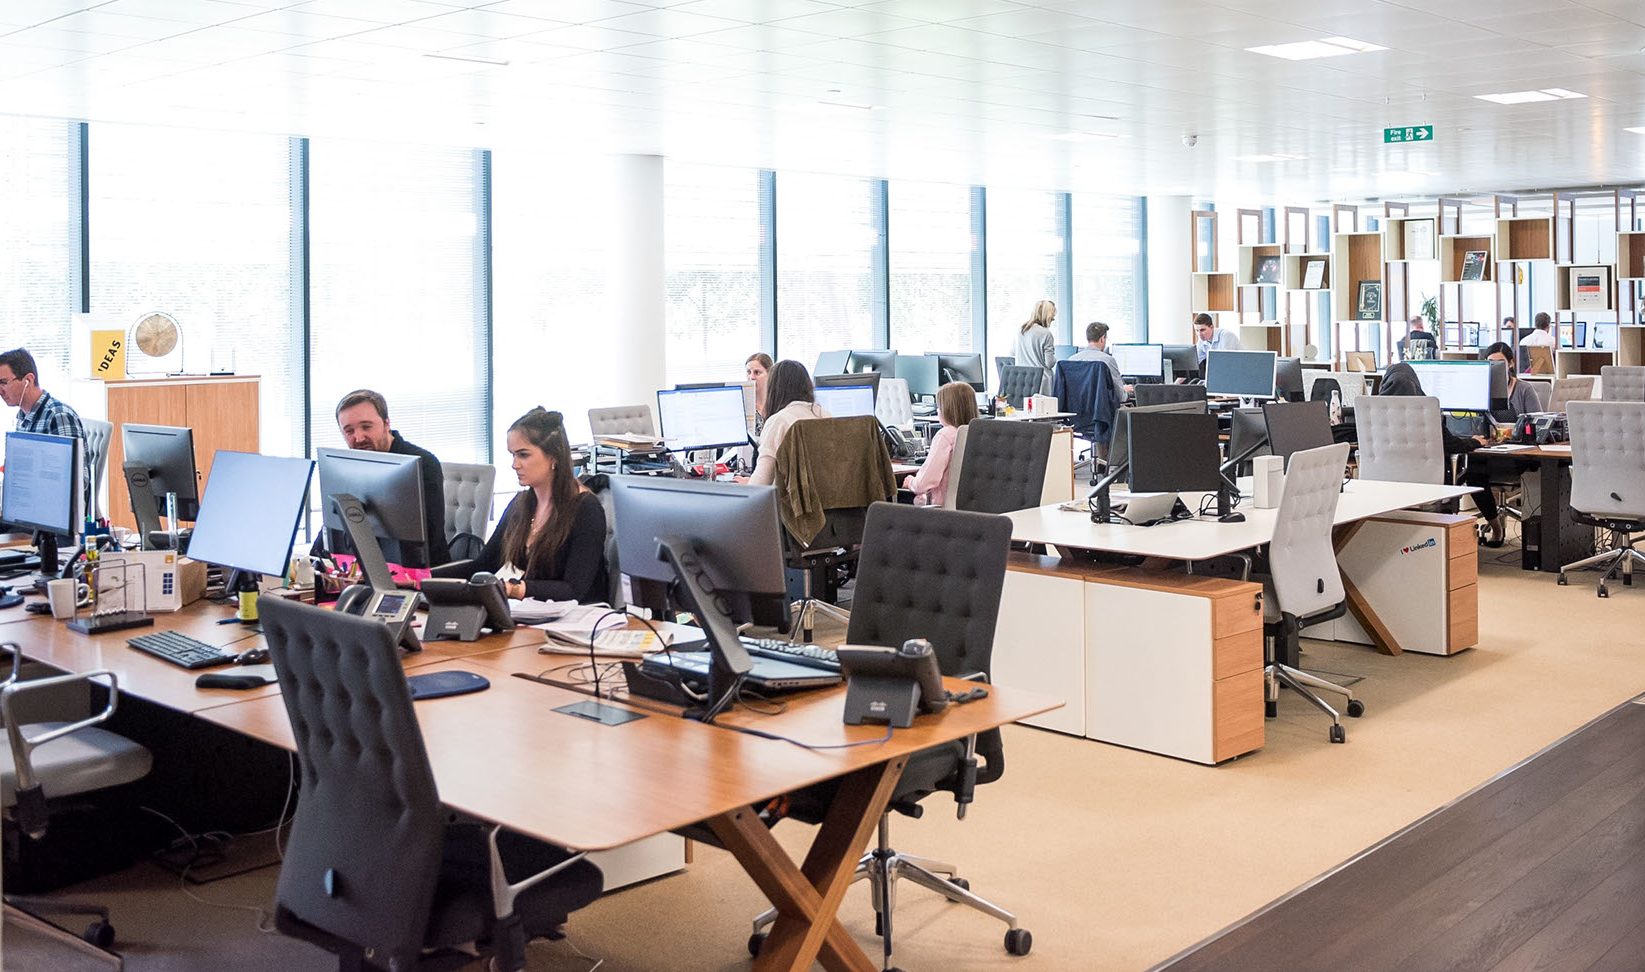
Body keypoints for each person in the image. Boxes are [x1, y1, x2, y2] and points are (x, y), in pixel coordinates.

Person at [460, 407, 608, 604]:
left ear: (554, 457)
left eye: (523, 455)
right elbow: (483, 565)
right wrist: (419, 578)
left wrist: (513, 589)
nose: (515, 464)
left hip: (575, 621)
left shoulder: (585, 508)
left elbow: (573, 589)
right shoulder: (521, 504)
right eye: (512, 455)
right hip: (531, 615)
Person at [331, 389, 450, 566]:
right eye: (349, 431)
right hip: (367, 567)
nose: (358, 437)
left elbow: (429, 534)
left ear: (386, 423)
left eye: (366, 426)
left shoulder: (422, 463)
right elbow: (335, 521)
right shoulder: (349, 467)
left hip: (422, 573)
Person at [0, 348, 91, 514]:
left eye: (3, 382)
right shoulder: (23, 416)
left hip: (48, 516)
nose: (0, 390)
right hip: (27, 506)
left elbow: (75, 485)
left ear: (28, 379)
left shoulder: (58, 416)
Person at [1466, 342, 1538, 547]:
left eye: (1500, 363)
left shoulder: (1524, 390)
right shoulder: (1479, 390)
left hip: (1519, 455)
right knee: (1472, 472)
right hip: (1489, 452)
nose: (1495, 368)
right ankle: (1495, 527)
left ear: (1511, 364)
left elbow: (1539, 425)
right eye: (1490, 364)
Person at [745, 360, 830, 487]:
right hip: (827, 501)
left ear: (774, 388)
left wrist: (746, 484)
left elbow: (760, 483)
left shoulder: (779, 422)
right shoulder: (825, 415)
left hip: (790, 504)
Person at [903, 381, 978, 507]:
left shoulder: (946, 435)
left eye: (939, 407)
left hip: (942, 512)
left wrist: (910, 481)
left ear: (946, 409)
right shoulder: (977, 434)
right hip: (970, 510)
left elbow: (922, 484)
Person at [1069, 321, 1131, 401]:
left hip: (1075, 410)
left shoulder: (1071, 360)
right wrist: (1124, 391)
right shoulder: (1107, 361)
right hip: (1100, 410)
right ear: (1102, 339)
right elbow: (1120, 396)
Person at [1014, 299, 1057, 396]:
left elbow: (1012, 353)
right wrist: (1055, 358)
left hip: (1022, 379)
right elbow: (1049, 363)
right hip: (1042, 381)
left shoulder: (1021, 330)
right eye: (1052, 316)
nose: (1053, 319)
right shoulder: (1046, 333)